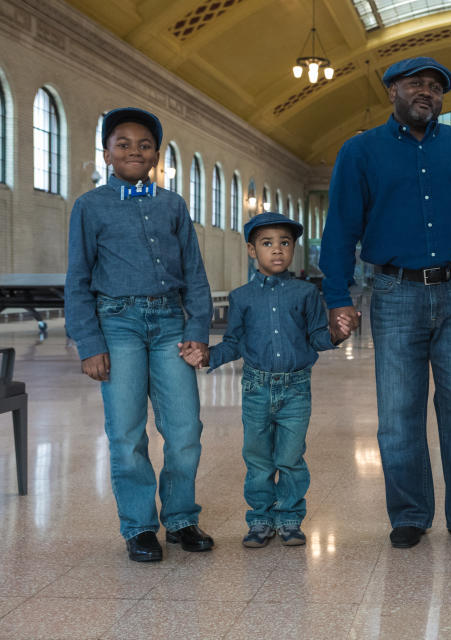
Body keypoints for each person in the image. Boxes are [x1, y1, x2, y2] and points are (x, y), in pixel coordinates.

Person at [319, 56, 451, 550]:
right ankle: (409, 513)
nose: (427, 92)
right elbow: (341, 228)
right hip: (393, 291)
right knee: (398, 411)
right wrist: (337, 295)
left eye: (435, 86)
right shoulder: (360, 152)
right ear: (393, 90)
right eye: (416, 84)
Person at [65, 107, 214, 562]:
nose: (134, 150)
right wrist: (89, 343)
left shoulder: (172, 205)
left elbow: (194, 272)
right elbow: (77, 279)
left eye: (144, 144)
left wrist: (197, 329)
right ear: (107, 153)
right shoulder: (90, 206)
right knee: (127, 433)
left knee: (185, 428)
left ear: (156, 155)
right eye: (123, 143)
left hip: (171, 323)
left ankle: (182, 518)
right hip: (119, 324)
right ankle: (139, 526)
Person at [184, 212, 341, 548]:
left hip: (296, 388)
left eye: (285, 243)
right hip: (256, 388)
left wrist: (337, 335)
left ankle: (288, 518)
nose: (278, 250)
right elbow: (235, 342)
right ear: (252, 251)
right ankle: (259, 518)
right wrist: (209, 355)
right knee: (257, 458)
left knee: (290, 457)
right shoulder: (242, 297)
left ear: (294, 249)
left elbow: (316, 337)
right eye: (267, 243)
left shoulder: (306, 294)